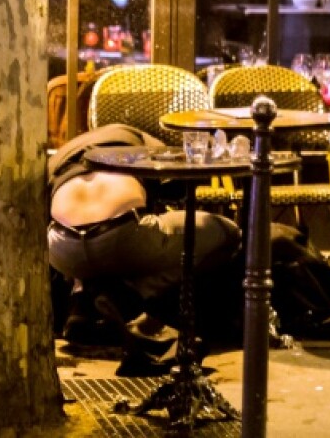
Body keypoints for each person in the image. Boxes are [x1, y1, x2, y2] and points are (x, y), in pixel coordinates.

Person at [46, 124, 242, 344]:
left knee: (85, 233)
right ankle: (130, 294)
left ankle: (82, 300)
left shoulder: (62, 153)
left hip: (61, 247)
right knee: (230, 234)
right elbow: (175, 186)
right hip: (122, 236)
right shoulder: (137, 138)